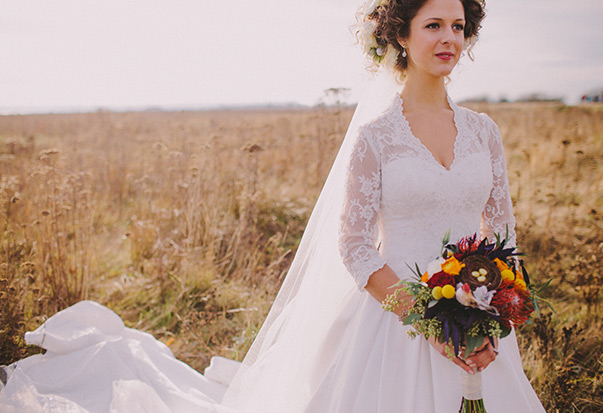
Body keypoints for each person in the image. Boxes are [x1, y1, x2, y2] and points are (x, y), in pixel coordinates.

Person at [0, 0, 545, 411]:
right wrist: (429, 322)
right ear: (400, 37)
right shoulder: (378, 137)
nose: (449, 37)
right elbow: (354, 246)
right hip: (396, 322)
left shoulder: (483, 130)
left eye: (457, 26)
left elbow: (503, 234)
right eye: (433, 25)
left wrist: (493, 313)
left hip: (481, 319)